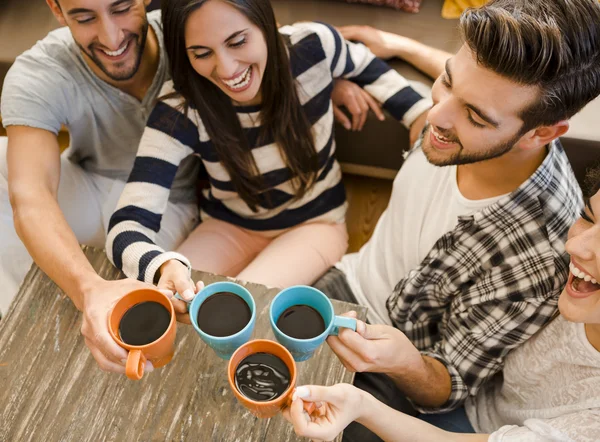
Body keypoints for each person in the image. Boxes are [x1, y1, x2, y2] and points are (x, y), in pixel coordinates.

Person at [0, 0, 387, 373]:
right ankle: (17, 328)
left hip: (185, 204)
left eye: (121, 8)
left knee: (198, 311)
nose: (111, 36)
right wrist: (88, 288)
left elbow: (266, 37)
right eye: (84, 17)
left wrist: (318, 81)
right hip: (123, 189)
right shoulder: (44, 74)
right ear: (55, 9)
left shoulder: (193, 30)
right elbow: (32, 198)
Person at [311, 0, 600, 440]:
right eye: (446, 80)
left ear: (540, 134)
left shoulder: (538, 260)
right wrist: (392, 47)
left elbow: (446, 389)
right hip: (348, 281)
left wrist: (402, 361)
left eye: (475, 115)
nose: (436, 116)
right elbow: (468, 95)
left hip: (396, 369)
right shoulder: (466, 123)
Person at [105, 0, 430, 296]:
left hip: (316, 224)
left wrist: (421, 157)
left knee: (233, 308)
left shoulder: (314, 45)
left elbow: (411, 104)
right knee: (163, 301)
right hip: (227, 225)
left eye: (237, 41)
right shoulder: (180, 108)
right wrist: (162, 266)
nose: (228, 69)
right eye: (202, 53)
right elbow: (127, 226)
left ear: (264, 22)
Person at [284, 165, 600, 442]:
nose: (574, 246)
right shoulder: (579, 286)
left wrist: (365, 404)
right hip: (474, 394)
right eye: (588, 217)